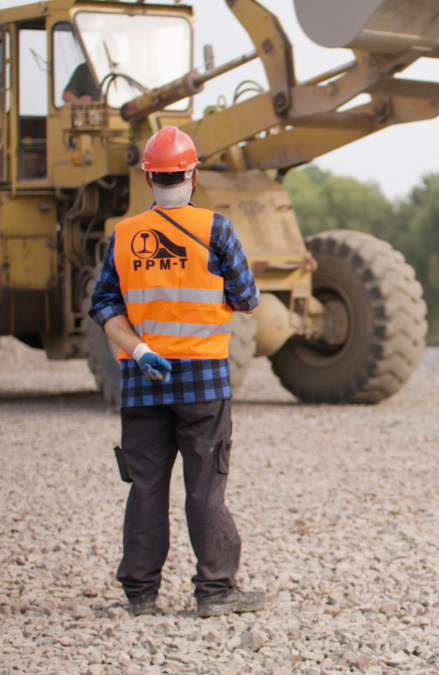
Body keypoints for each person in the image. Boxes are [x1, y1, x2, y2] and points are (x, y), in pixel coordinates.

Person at [89, 127, 264, 618]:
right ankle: (215, 591)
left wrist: (140, 348)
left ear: (149, 177)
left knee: (145, 485)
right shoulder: (216, 228)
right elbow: (247, 300)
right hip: (204, 380)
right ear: (191, 174)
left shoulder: (124, 235)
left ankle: (140, 595)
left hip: (143, 379)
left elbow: (103, 305)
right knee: (204, 485)